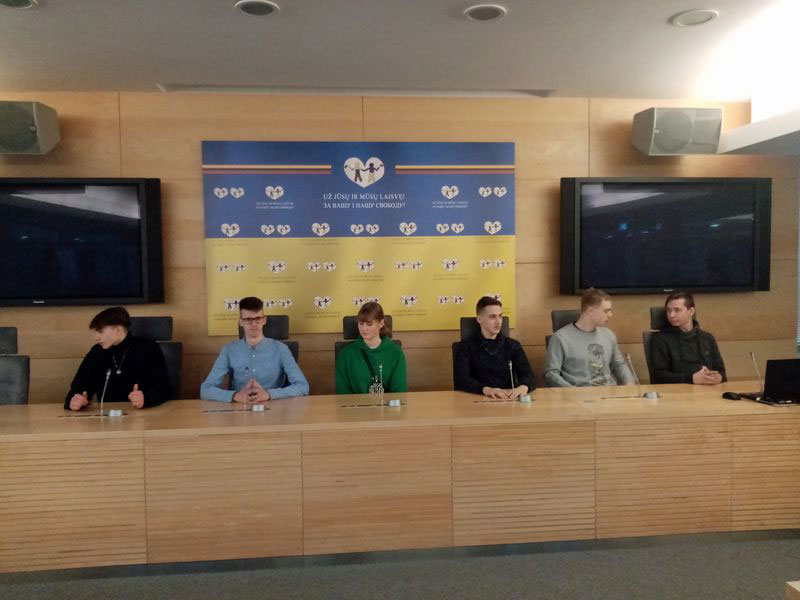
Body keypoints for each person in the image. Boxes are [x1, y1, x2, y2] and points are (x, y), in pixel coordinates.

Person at [200, 296, 309, 403]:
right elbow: (205, 389)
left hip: (273, 407)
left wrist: (269, 394)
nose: (253, 324)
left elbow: (303, 386)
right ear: (241, 322)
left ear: (264, 320)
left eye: (258, 319)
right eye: (248, 319)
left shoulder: (281, 349)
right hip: (240, 407)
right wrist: (235, 396)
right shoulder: (229, 350)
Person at [65, 306, 170, 411]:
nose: (96, 337)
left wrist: (146, 399)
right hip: (106, 416)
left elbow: (164, 388)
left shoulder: (147, 347)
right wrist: (75, 401)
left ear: (118, 330)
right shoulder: (97, 352)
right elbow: (78, 388)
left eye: (100, 331)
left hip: (142, 415)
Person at [543, 288, 634, 387]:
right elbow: (551, 374)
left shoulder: (609, 335)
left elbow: (619, 364)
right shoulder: (560, 338)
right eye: (606, 311)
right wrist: (572, 392)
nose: (610, 315)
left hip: (609, 392)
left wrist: (629, 383)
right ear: (590, 311)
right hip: (579, 393)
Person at [454, 296, 534, 399]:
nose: (498, 321)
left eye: (500, 316)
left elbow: (528, 374)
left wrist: (524, 386)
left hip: (507, 399)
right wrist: (486, 389)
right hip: (476, 399)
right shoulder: (465, 346)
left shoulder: (512, 345)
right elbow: (461, 380)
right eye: (492, 317)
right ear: (479, 319)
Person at [650, 292, 726, 385]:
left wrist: (719, 378)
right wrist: (692, 378)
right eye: (668, 310)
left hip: (709, 389)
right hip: (678, 391)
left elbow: (722, 372)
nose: (671, 315)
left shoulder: (707, 338)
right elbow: (658, 376)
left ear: (691, 311)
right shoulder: (660, 339)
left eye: (677, 310)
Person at [335, 301, 407, 394]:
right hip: (355, 404)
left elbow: (399, 392)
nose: (364, 329)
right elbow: (342, 394)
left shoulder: (396, 353)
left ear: (381, 323)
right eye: (361, 324)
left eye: (369, 324)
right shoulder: (346, 355)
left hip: (387, 403)